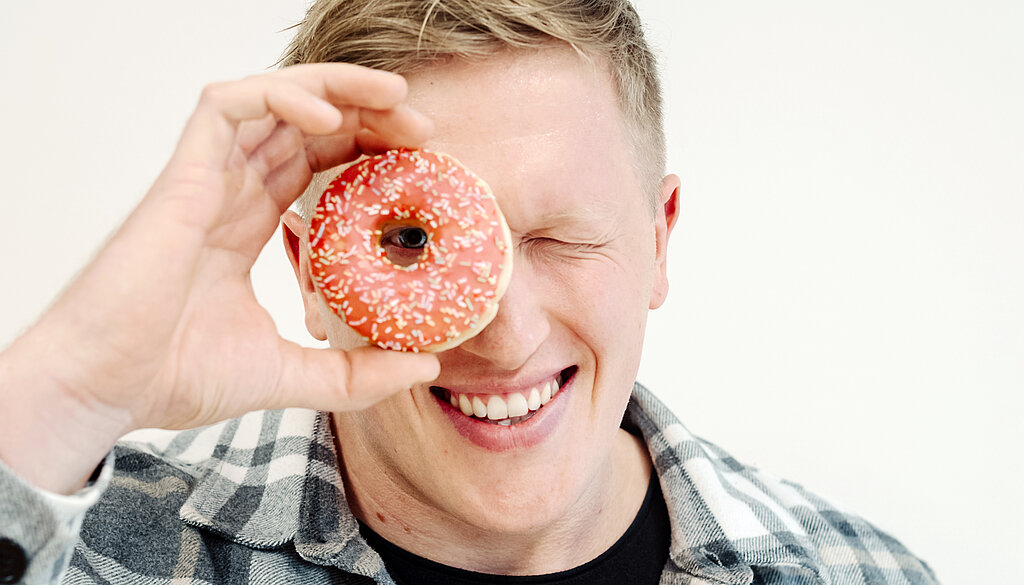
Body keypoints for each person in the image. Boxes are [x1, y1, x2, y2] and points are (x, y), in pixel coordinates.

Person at [0, 1, 939, 583]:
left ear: (660, 240)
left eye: (560, 235)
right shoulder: (102, 553)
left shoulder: (860, 573)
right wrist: (70, 386)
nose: (503, 331)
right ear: (307, 272)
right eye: (411, 241)